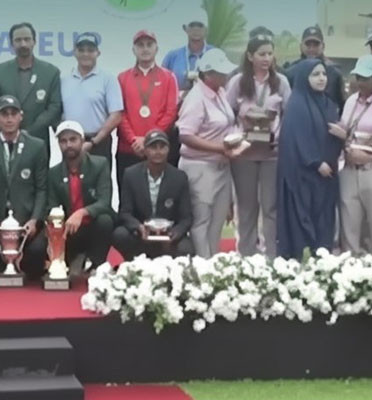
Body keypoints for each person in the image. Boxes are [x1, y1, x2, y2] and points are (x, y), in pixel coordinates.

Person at [225, 34, 291, 258]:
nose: (266, 58)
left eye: (270, 54)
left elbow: (288, 115)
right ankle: (246, 257)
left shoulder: (281, 82)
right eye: (262, 54)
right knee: (246, 208)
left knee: (270, 208)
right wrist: (237, 137)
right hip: (244, 154)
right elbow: (228, 115)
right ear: (250, 56)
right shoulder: (237, 82)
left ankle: (271, 257)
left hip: (272, 153)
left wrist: (276, 136)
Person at [0, 95, 48, 280]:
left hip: (27, 224)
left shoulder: (37, 146)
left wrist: (34, 220)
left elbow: (42, 189)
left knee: (34, 262)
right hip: (0, 226)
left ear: (21, 116)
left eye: (13, 114)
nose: (9, 119)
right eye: (4, 114)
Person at [277, 59, 344, 259]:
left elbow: (331, 136)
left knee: (323, 222)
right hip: (302, 177)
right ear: (304, 78)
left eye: (323, 74)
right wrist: (315, 162)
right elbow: (296, 139)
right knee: (302, 223)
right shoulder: (297, 104)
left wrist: (342, 138)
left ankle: (322, 262)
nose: (321, 78)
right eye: (315, 74)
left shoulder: (329, 103)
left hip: (326, 176)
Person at [176, 48, 238, 258]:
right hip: (200, 168)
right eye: (221, 72)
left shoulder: (220, 92)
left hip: (221, 166)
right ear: (208, 74)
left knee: (217, 222)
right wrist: (220, 148)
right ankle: (202, 265)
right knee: (201, 221)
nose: (226, 75)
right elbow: (185, 135)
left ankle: (213, 264)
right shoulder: (196, 98)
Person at [113, 130, 193, 259]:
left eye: (162, 147)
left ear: (168, 150)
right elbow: (125, 212)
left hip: (168, 235)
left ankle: (171, 268)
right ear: (145, 150)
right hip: (141, 234)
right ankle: (133, 264)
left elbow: (186, 218)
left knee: (186, 248)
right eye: (153, 147)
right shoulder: (131, 174)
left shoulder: (179, 177)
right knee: (120, 234)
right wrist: (138, 227)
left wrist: (175, 233)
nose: (158, 151)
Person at [47, 121, 114, 273]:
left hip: (93, 225)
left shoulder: (100, 164)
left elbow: (105, 202)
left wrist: (82, 213)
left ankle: (97, 264)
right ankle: (73, 258)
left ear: (82, 141)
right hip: (69, 229)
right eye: (63, 141)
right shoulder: (53, 173)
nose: (68, 145)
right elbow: (51, 206)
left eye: (73, 139)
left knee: (105, 220)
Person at [116, 30, 178, 189]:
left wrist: (148, 139)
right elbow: (120, 113)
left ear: (156, 49)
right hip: (129, 149)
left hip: (158, 149)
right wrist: (133, 139)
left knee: (160, 195)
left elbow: (170, 112)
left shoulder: (169, 77)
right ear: (133, 50)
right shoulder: (122, 78)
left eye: (149, 45)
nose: (145, 49)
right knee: (128, 196)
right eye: (140, 45)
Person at [0, 22, 62, 149]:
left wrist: (30, 131)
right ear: (11, 44)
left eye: (27, 39)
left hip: (37, 141)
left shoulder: (50, 72)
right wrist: (8, 128)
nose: (23, 44)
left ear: (34, 42)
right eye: (18, 40)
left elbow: (54, 107)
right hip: (4, 140)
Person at [61, 33, 123, 161]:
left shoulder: (108, 79)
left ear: (98, 53)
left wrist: (94, 141)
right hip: (70, 144)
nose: (86, 54)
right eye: (81, 50)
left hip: (99, 143)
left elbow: (116, 115)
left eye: (90, 50)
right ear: (74, 53)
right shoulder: (64, 80)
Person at [335, 55, 372, 255]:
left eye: (366, 78)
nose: (360, 82)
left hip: (369, 169)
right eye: (358, 77)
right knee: (349, 222)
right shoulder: (351, 101)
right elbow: (345, 125)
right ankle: (350, 267)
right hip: (348, 169)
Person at [284, 26, 345, 114]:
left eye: (316, 45)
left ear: (323, 46)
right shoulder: (290, 72)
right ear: (301, 46)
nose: (311, 49)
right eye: (308, 44)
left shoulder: (334, 73)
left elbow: (342, 104)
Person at [162, 20, 214, 92]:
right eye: (192, 25)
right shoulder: (171, 57)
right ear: (185, 29)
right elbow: (161, 84)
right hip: (178, 98)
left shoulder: (216, 54)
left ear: (206, 29)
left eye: (200, 26)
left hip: (209, 98)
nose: (196, 29)